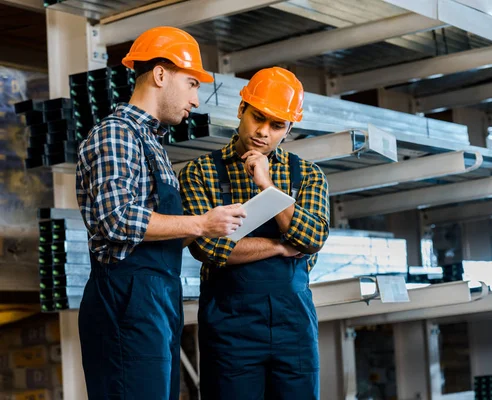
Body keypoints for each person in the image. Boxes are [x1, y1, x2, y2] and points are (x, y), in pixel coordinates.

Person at [75, 26, 246, 400]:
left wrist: (211, 227)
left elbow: (156, 229)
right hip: (127, 298)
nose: (196, 100)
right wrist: (201, 222)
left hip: (156, 298)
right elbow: (117, 218)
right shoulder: (116, 135)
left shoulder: (151, 144)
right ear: (160, 74)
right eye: (191, 84)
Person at [179, 66, 330, 399]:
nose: (263, 132)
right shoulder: (200, 172)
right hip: (231, 332)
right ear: (240, 110)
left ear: (288, 129)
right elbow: (209, 249)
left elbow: (313, 238)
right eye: (257, 118)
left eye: (277, 125)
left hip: (294, 331)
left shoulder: (307, 174)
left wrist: (267, 185)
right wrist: (279, 247)